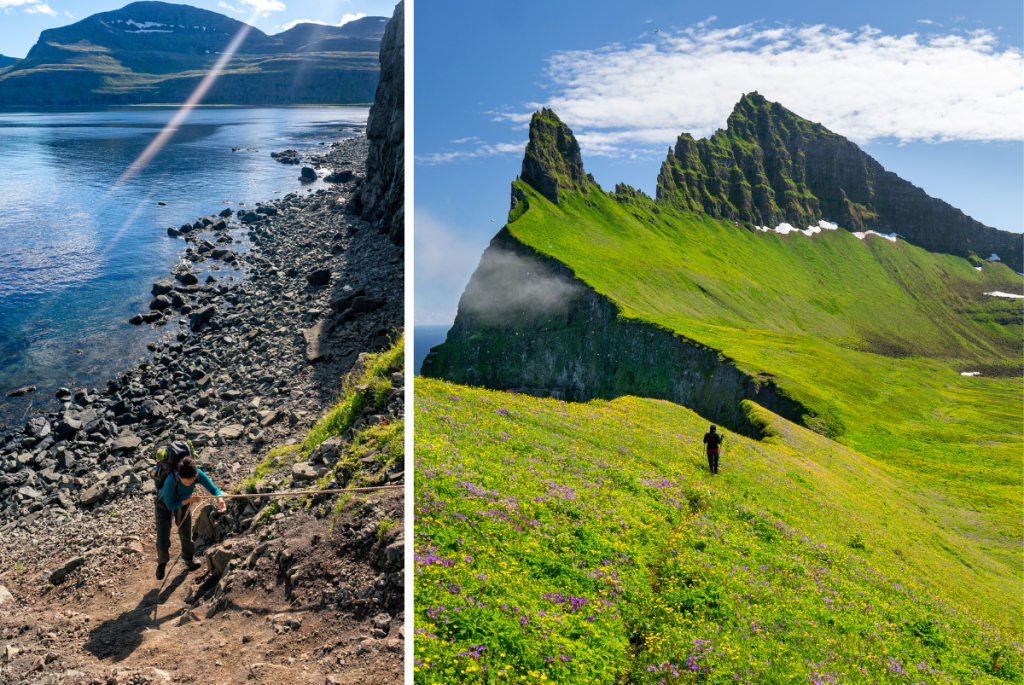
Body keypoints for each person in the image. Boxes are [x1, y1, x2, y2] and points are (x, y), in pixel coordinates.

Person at [155, 455, 226, 580]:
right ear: (179, 476)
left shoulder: (198, 474)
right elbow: (171, 505)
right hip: (164, 506)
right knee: (163, 537)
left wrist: (220, 500)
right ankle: (162, 563)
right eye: (185, 482)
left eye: (191, 482)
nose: (188, 484)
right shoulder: (170, 481)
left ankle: (189, 559)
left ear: (195, 477)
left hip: (184, 505)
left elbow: (214, 489)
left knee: (186, 534)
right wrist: (189, 500)